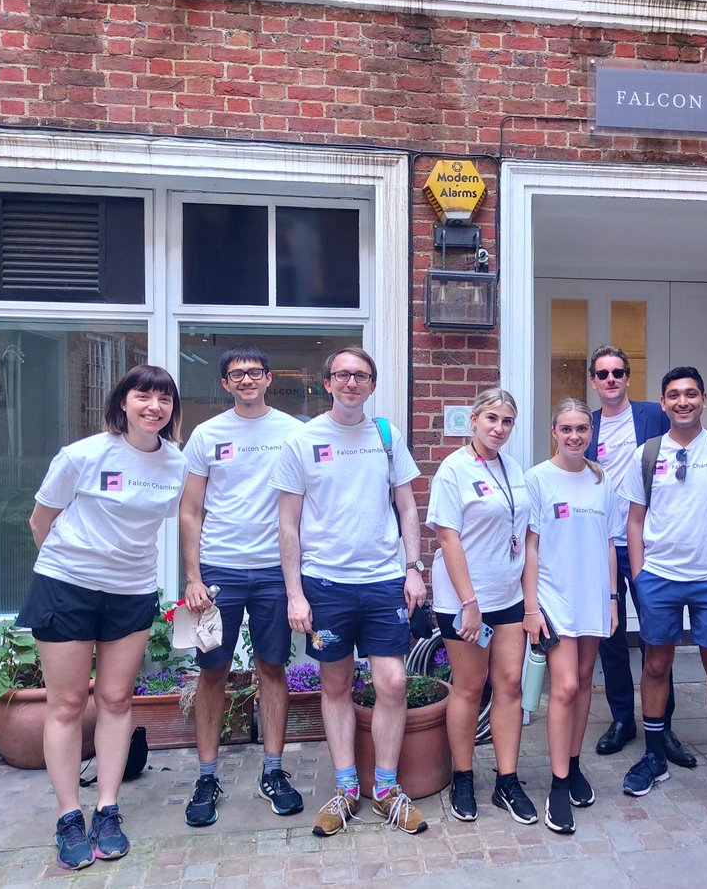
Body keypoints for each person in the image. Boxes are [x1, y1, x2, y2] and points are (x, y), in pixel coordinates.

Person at [18, 365, 188, 871]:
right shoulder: (84, 455)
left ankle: (107, 808)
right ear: (123, 402)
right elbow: (40, 520)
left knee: (116, 698)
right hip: (66, 587)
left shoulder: (175, 464)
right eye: (144, 396)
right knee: (68, 703)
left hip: (131, 592)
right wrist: (72, 568)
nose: (154, 406)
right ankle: (69, 815)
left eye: (163, 398)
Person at [272, 346, 429, 836]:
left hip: (383, 581)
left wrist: (413, 567)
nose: (351, 383)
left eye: (360, 375)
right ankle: (345, 788)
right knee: (336, 685)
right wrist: (295, 594)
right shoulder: (303, 441)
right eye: (342, 374)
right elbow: (288, 524)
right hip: (327, 585)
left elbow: (406, 507)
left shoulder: (386, 436)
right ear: (327, 383)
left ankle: (385, 789)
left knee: (392, 684)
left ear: (372, 385)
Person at [619, 367, 707, 810]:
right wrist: (640, 576)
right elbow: (635, 521)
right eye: (674, 395)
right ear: (662, 403)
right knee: (656, 665)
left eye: (691, 394)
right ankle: (654, 756)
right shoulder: (647, 453)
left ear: (703, 399)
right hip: (659, 578)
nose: (683, 401)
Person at [178, 346, 303, 827]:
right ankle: (207, 775)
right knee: (213, 671)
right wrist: (193, 577)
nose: (246, 379)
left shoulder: (294, 432)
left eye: (254, 372)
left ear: (270, 377)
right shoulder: (207, 435)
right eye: (236, 374)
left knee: (272, 668)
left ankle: (273, 771)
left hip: (275, 571)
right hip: (218, 572)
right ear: (226, 384)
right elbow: (190, 510)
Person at [427, 388, 536, 825]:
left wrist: (531, 602)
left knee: (509, 686)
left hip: (509, 595)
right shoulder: (453, 469)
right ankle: (464, 775)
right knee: (470, 688)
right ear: (473, 420)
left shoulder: (514, 469)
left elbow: (528, 537)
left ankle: (507, 781)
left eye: (507, 421)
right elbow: (447, 538)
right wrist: (469, 603)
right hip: (464, 599)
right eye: (492, 418)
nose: (499, 428)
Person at [585, 346, 692, 767]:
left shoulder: (654, 415)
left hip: (648, 543)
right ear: (594, 381)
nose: (611, 379)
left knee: (656, 637)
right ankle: (621, 720)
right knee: (610, 638)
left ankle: (662, 726)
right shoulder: (584, 427)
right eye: (602, 373)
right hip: (602, 542)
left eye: (618, 372)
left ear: (628, 377)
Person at [523, 397, 618, 835]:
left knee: (583, 685)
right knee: (563, 687)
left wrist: (614, 599)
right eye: (567, 428)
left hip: (593, 596)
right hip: (554, 598)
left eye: (582, 428)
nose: (575, 435)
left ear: (590, 433)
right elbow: (531, 548)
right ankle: (558, 784)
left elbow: (611, 544)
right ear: (554, 433)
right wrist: (531, 606)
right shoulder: (538, 480)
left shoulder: (603, 480)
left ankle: (574, 764)